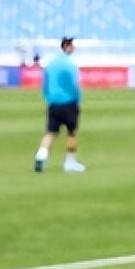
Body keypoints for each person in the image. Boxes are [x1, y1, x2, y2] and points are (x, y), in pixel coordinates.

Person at [33, 37, 85, 173]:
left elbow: (45, 83)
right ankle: (70, 162)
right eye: (72, 46)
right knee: (72, 132)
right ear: (67, 47)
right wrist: (78, 99)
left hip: (54, 102)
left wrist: (48, 97)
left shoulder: (51, 64)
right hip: (69, 102)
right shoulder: (70, 64)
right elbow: (74, 84)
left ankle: (41, 155)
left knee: (50, 132)